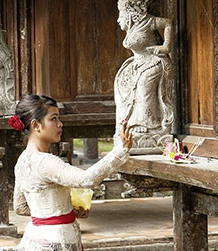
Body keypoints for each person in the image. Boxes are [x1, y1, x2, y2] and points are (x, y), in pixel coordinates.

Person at [12, 95, 133, 251]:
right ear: (36, 125)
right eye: (53, 119)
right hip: (57, 240)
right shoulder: (46, 162)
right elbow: (87, 179)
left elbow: (20, 206)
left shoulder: (22, 161)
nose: (60, 124)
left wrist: (65, 210)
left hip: (35, 237)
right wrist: (120, 152)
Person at [114, 0, 174, 149]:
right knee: (126, 90)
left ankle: (150, 126)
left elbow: (168, 23)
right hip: (137, 63)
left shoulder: (148, 21)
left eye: (121, 15)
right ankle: (130, 123)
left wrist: (166, 46)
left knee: (143, 88)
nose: (119, 20)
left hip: (153, 62)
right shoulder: (132, 28)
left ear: (131, 15)